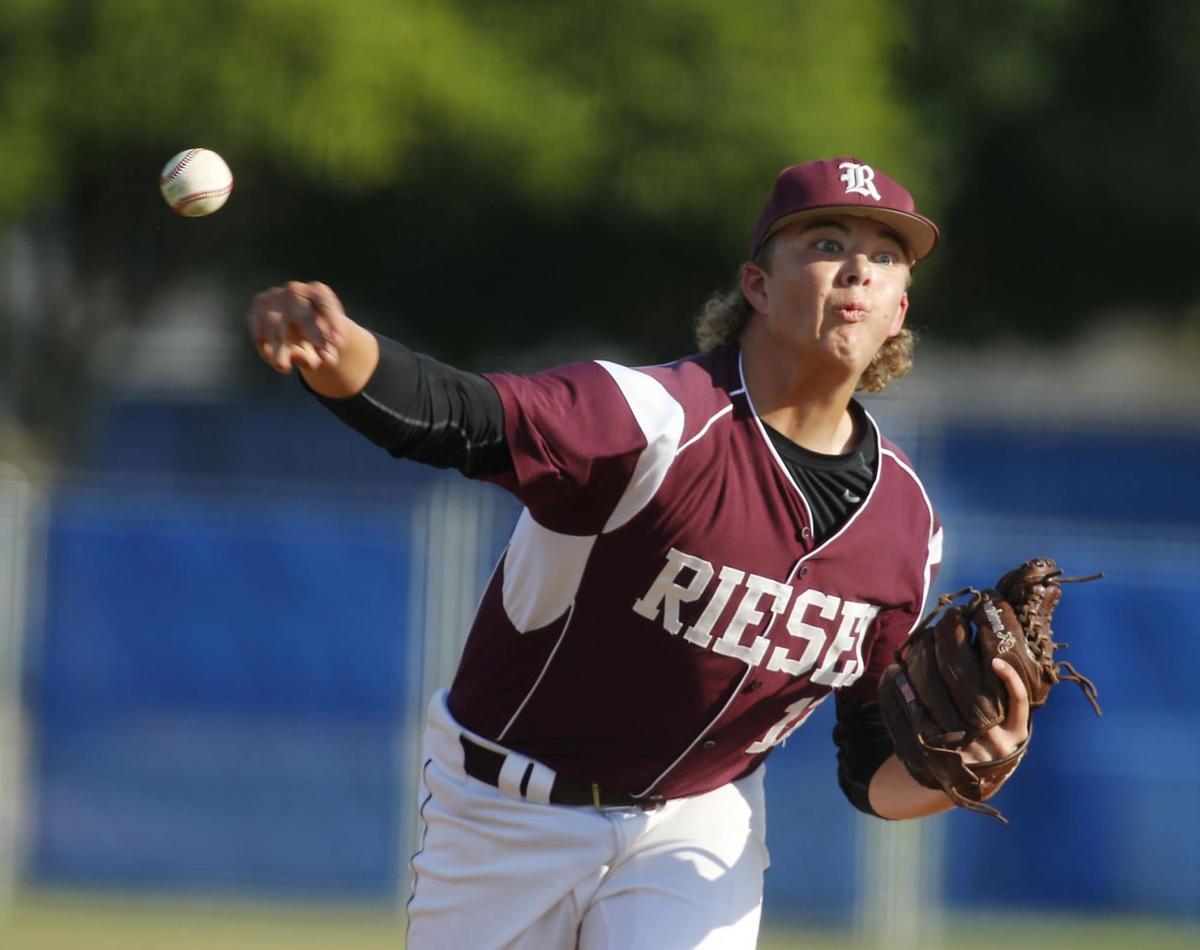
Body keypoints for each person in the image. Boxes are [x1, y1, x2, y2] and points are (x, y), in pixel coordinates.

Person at [247, 157, 1031, 949]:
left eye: (887, 256)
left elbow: (869, 767)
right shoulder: (653, 418)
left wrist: (965, 771)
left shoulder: (905, 522)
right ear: (756, 287)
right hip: (507, 813)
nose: (859, 266)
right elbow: (467, 418)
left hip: (699, 825)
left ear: (898, 310)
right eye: (826, 242)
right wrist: (341, 353)